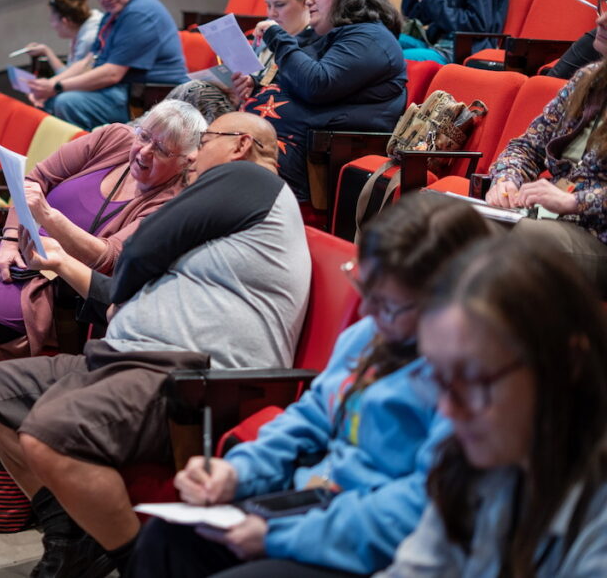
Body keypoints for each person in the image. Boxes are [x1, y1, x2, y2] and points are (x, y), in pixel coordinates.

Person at [0, 111, 310, 577]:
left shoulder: (251, 179)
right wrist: (77, 273)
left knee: (51, 432)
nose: (194, 155)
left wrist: (122, 295)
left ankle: (143, 565)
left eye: (205, 140)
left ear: (240, 144)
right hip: (133, 357)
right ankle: (69, 535)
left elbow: (140, 249)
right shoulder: (231, 214)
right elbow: (132, 283)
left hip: (190, 371)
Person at [130, 192, 493, 578]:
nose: (366, 311)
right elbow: (314, 413)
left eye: (387, 303)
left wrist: (277, 536)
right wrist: (238, 473)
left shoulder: (469, 380)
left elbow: (416, 509)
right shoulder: (373, 334)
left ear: (451, 301)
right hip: (313, 505)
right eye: (363, 288)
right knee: (166, 540)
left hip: (371, 539)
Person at [0, 99, 205, 417]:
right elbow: (37, 177)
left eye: (162, 150)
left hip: (61, 281)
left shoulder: (172, 201)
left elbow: (109, 257)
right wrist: (10, 240)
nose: (144, 151)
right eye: (144, 136)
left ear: (187, 162)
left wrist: (49, 218)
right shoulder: (114, 137)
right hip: (21, 246)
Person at [377, 232, 607, 576]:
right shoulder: (479, 459)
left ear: (566, 363)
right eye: (438, 378)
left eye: (474, 380)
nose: (447, 409)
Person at [232, 0, 406, 204]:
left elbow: (316, 85)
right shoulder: (330, 36)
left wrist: (277, 37)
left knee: (209, 164)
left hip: (311, 159)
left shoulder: (370, 38)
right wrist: (259, 87)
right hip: (277, 144)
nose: (309, 0)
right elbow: (301, 81)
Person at [485, 6, 607, 296]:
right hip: (552, 220)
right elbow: (526, 146)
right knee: (445, 218)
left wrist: (575, 202)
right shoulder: (589, 78)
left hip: (597, 236)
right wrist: (506, 179)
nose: (600, 19)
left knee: (504, 239)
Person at [27, 0, 188, 130]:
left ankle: (91, 156)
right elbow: (89, 60)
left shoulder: (139, 13)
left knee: (66, 102)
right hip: (123, 91)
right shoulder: (115, 13)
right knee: (54, 99)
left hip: (149, 98)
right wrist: (50, 85)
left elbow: (112, 74)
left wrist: (57, 87)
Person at [245, 0, 323, 91]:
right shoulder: (266, 30)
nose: (271, 14)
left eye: (279, 5)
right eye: (268, 5)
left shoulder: (318, 43)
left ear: (306, 1)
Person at [24, 0, 104, 74]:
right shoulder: (86, 23)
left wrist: (47, 52)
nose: (52, 25)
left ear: (65, 21)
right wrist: (45, 50)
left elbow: (72, 79)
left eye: (52, 20)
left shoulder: (89, 39)